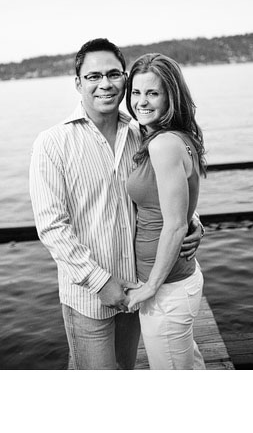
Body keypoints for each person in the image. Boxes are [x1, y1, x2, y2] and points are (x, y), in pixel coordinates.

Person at [29, 38, 204, 370]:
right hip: (89, 297)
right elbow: (52, 228)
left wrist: (194, 222)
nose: (105, 84)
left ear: (125, 78)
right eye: (94, 76)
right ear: (78, 82)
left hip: (136, 291)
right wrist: (100, 282)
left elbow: (162, 196)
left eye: (113, 74)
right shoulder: (53, 143)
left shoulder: (142, 133)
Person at [124, 53, 208, 369]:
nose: (141, 102)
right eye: (135, 92)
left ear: (170, 97)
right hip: (175, 284)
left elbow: (173, 225)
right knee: (186, 364)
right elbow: (180, 206)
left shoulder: (164, 144)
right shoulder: (170, 137)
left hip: (167, 290)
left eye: (152, 93)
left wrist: (150, 287)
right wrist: (195, 220)